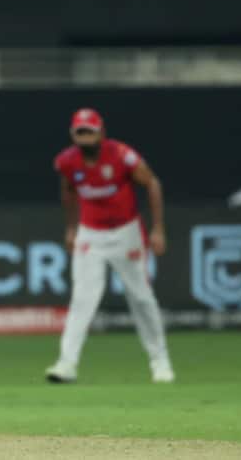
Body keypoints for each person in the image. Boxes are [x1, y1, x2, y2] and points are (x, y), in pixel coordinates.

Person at [46, 108, 175, 384]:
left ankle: (160, 360)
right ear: (73, 135)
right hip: (90, 234)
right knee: (83, 298)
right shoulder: (67, 162)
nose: (85, 137)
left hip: (126, 232)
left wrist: (158, 228)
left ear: (101, 132)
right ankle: (67, 363)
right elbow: (68, 192)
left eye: (90, 132)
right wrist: (71, 228)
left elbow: (152, 183)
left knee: (141, 297)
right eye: (80, 132)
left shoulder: (121, 155)